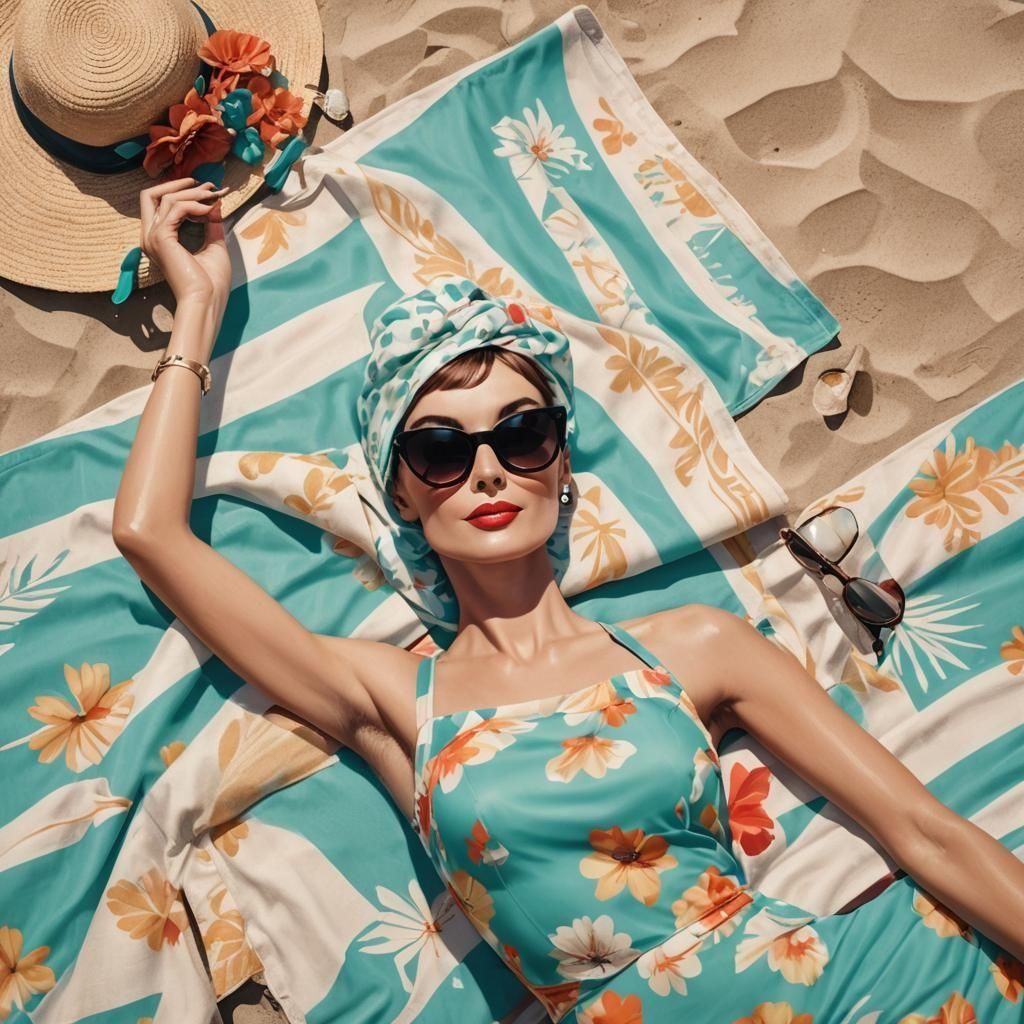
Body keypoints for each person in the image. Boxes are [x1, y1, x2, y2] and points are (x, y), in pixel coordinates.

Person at [113, 177, 1024, 1023]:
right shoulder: (395, 701)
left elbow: (923, 832)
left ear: (559, 459)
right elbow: (150, 534)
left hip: (888, 989)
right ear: (402, 493)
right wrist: (199, 306)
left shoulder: (696, 646)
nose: (487, 471)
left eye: (523, 433)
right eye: (438, 450)